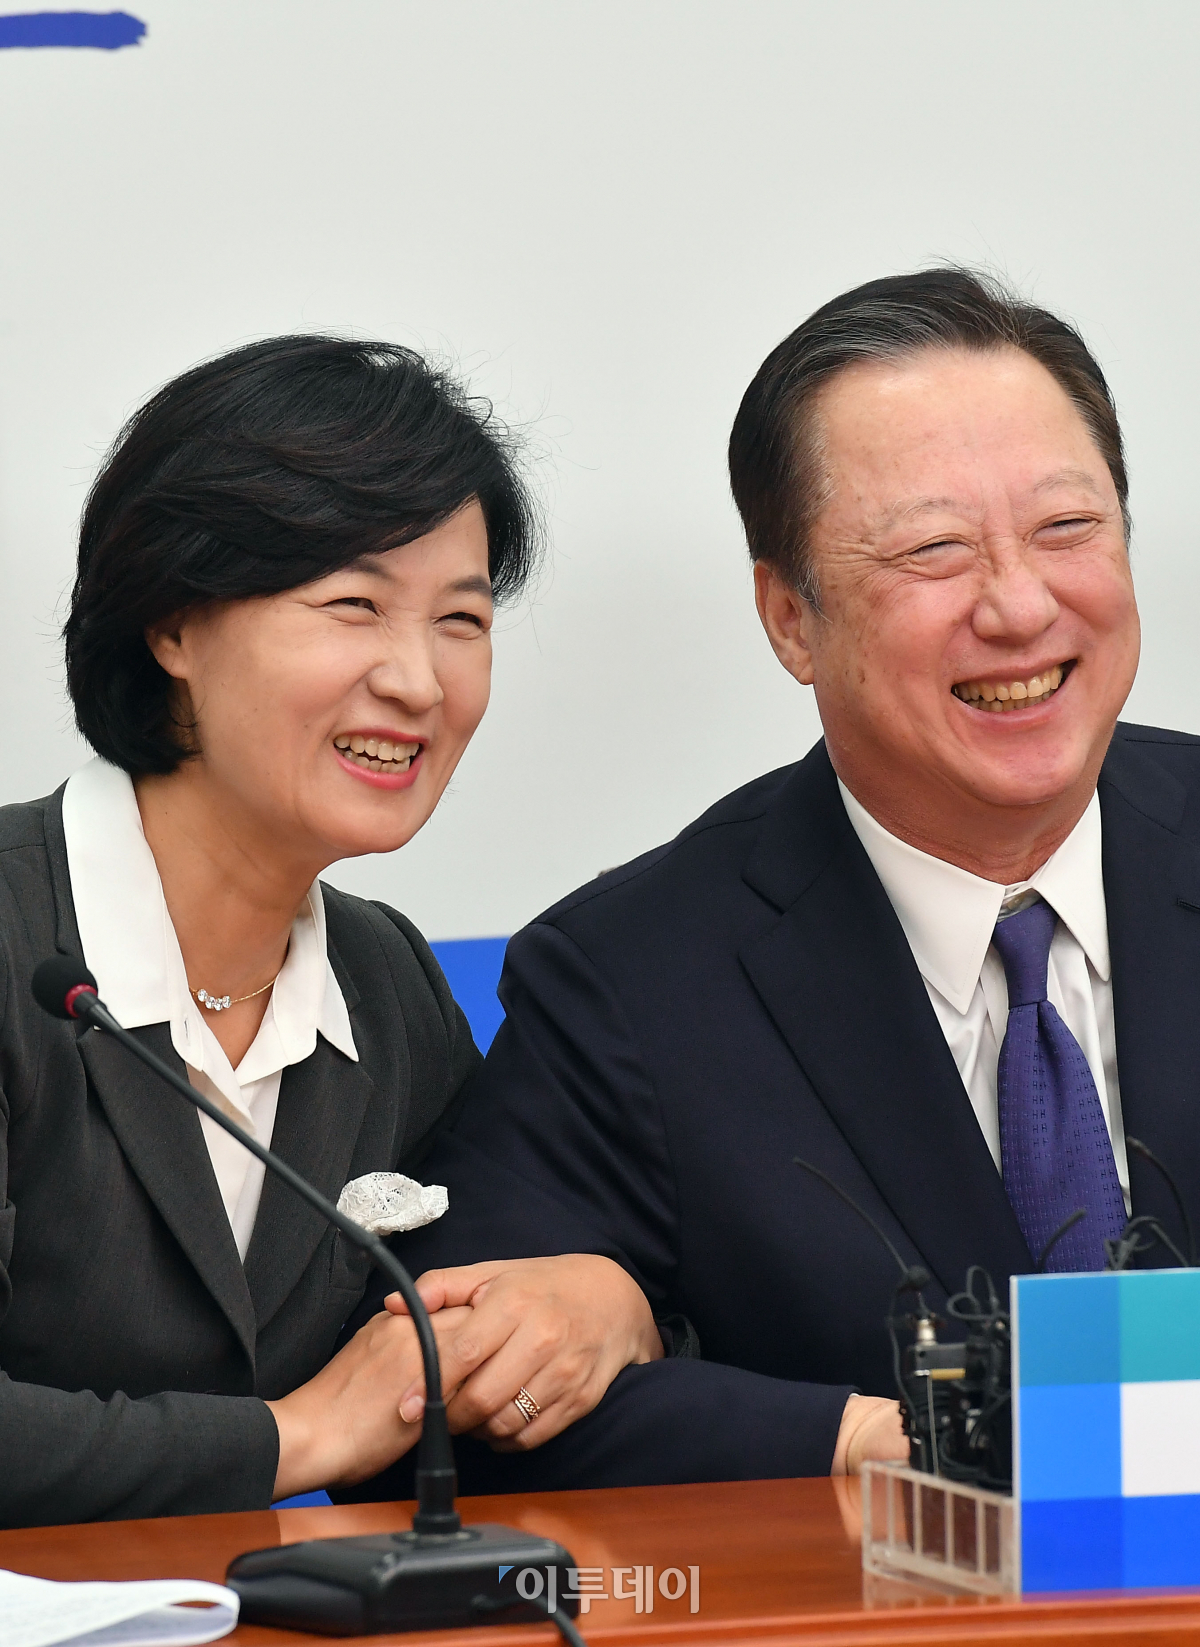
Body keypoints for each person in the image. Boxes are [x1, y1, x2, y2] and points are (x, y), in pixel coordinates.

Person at [358, 267, 1195, 1495]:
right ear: (790, 618)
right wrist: (884, 1440)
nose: (1021, 605)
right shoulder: (635, 983)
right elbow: (445, 1416)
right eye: (934, 549)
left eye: (1069, 530)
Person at [0, 335, 663, 1529]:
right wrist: (299, 1435)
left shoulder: (383, 980)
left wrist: (608, 1302)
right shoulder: (17, 933)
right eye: (354, 605)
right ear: (173, 625)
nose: (419, 681)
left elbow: (488, 1303)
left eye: (461, 620)